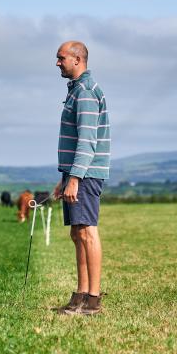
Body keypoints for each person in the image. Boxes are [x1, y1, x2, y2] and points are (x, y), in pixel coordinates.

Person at [52, 41, 110, 315]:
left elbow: (87, 141)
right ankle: (81, 294)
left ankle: (93, 300)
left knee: (87, 232)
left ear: (77, 59)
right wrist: (65, 179)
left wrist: (74, 178)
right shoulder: (76, 90)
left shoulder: (85, 92)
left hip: (85, 174)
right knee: (77, 233)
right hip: (75, 173)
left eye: (61, 57)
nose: (57, 62)